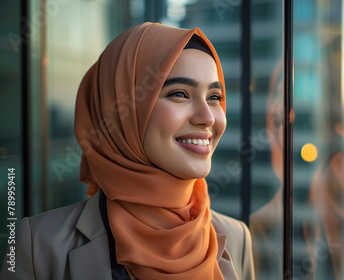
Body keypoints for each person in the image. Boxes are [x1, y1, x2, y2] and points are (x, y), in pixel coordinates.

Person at [0, 22, 254, 280]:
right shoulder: (40, 245)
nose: (208, 117)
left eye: (214, 97)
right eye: (179, 93)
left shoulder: (238, 239)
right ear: (122, 110)